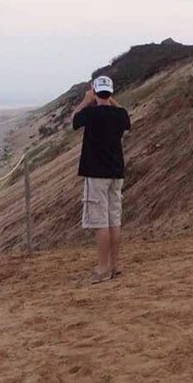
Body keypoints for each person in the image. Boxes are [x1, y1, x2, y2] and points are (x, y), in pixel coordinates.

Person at [71, 75, 131, 283]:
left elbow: (74, 120)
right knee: (114, 220)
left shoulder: (90, 113)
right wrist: (109, 100)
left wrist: (87, 101)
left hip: (97, 175)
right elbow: (125, 115)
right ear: (111, 93)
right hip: (116, 173)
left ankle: (103, 269)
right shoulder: (120, 114)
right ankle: (115, 266)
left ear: (95, 91)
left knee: (100, 223)